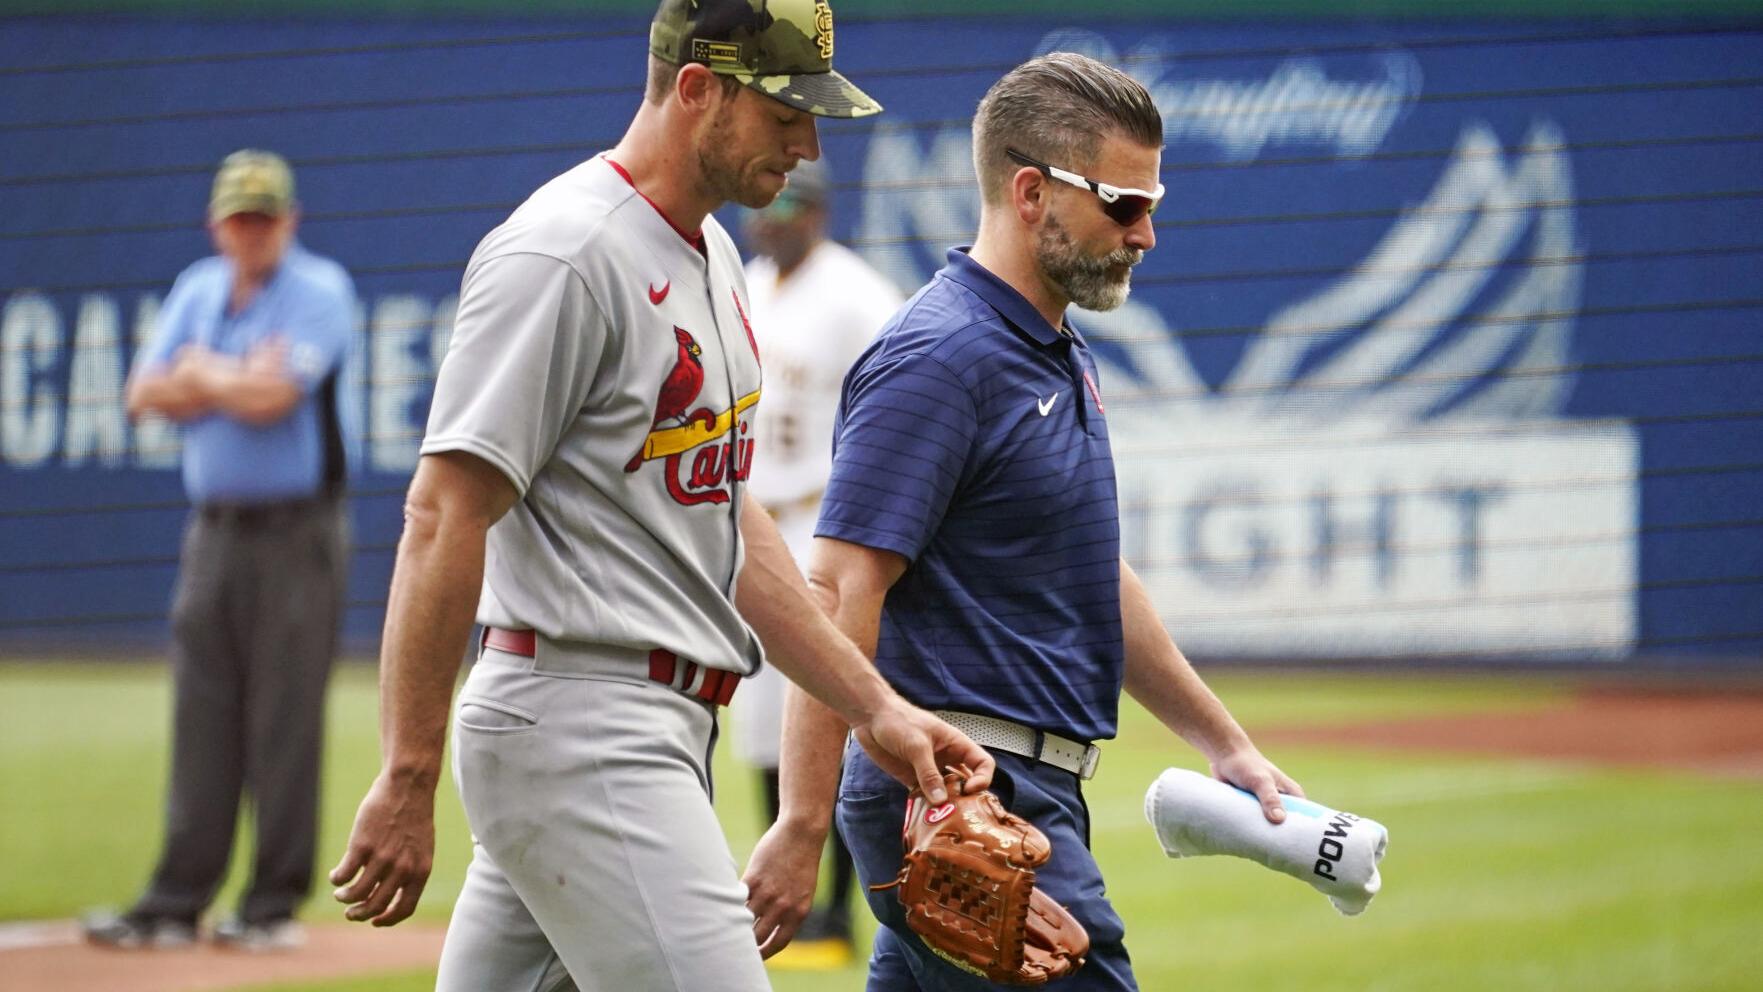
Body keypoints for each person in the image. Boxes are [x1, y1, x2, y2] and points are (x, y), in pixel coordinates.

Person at [324, 3, 993, 990]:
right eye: (783, 114)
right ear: (696, 90)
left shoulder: (712, 253)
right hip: (583, 723)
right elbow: (441, 512)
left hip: (647, 723)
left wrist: (873, 707)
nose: (807, 144)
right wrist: (407, 769)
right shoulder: (562, 253)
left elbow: (722, 517)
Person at [742, 53, 1306, 990]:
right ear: (1032, 191)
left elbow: (1092, 577)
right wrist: (802, 825)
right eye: (1123, 205)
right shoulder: (942, 354)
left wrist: (1223, 742)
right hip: (969, 797)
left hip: (1006, 789)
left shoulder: (1047, 348)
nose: (1146, 234)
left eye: (1151, 203)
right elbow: (839, 585)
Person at [82, 149, 356, 952]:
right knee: (201, 714)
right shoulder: (197, 288)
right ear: (216, 224)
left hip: (297, 532)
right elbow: (140, 394)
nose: (253, 232)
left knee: (283, 718)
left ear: (290, 221)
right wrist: (220, 374)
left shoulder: (321, 290)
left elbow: (276, 400)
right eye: (240, 218)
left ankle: (270, 905)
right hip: (212, 532)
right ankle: (174, 901)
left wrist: (200, 374)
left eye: (266, 218)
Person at [734, 156, 904, 967]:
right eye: (766, 201)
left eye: (789, 204)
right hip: (752, 524)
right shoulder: (748, 280)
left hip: (822, 519)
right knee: (764, 725)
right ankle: (794, 907)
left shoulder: (857, 297)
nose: (770, 217)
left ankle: (834, 911)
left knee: (825, 710)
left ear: (822, 211)